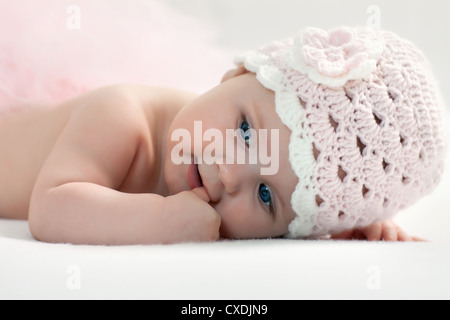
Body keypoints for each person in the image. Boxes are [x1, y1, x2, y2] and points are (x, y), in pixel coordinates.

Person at [0, 26, 446, 244]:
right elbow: (50, 206)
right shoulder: (121, 115)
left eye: (266, 196)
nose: (230, 172)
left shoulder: (239, 140)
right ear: (236, 73)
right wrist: (159, 221)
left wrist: (352, 223)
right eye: (246, 131)